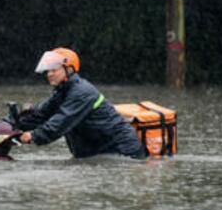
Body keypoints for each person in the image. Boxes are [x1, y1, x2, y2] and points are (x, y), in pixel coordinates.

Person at [17, 47, 146, 159]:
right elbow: (40, 115)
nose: (49, 74)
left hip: (122, 153)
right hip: (97, 153)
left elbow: (61, 122)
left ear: (69, 69)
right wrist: (10, 125)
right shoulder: (62, 91)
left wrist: (32, 136)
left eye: (54, 70)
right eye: (48, 70)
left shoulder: (82, 92)